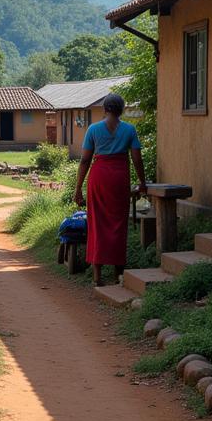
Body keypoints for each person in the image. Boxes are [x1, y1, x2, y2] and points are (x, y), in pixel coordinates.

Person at [73, 93, 147, 287]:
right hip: (119, 177)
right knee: (118, 224)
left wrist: (78, 188)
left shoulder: (93, 129)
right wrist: (143, 182)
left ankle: (97, 276)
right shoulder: (129, 129)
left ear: (105, 109)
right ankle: (117, 274)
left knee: (97, 224)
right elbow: (137, 159)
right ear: (121, 110)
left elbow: (85, 160)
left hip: (99, 177)